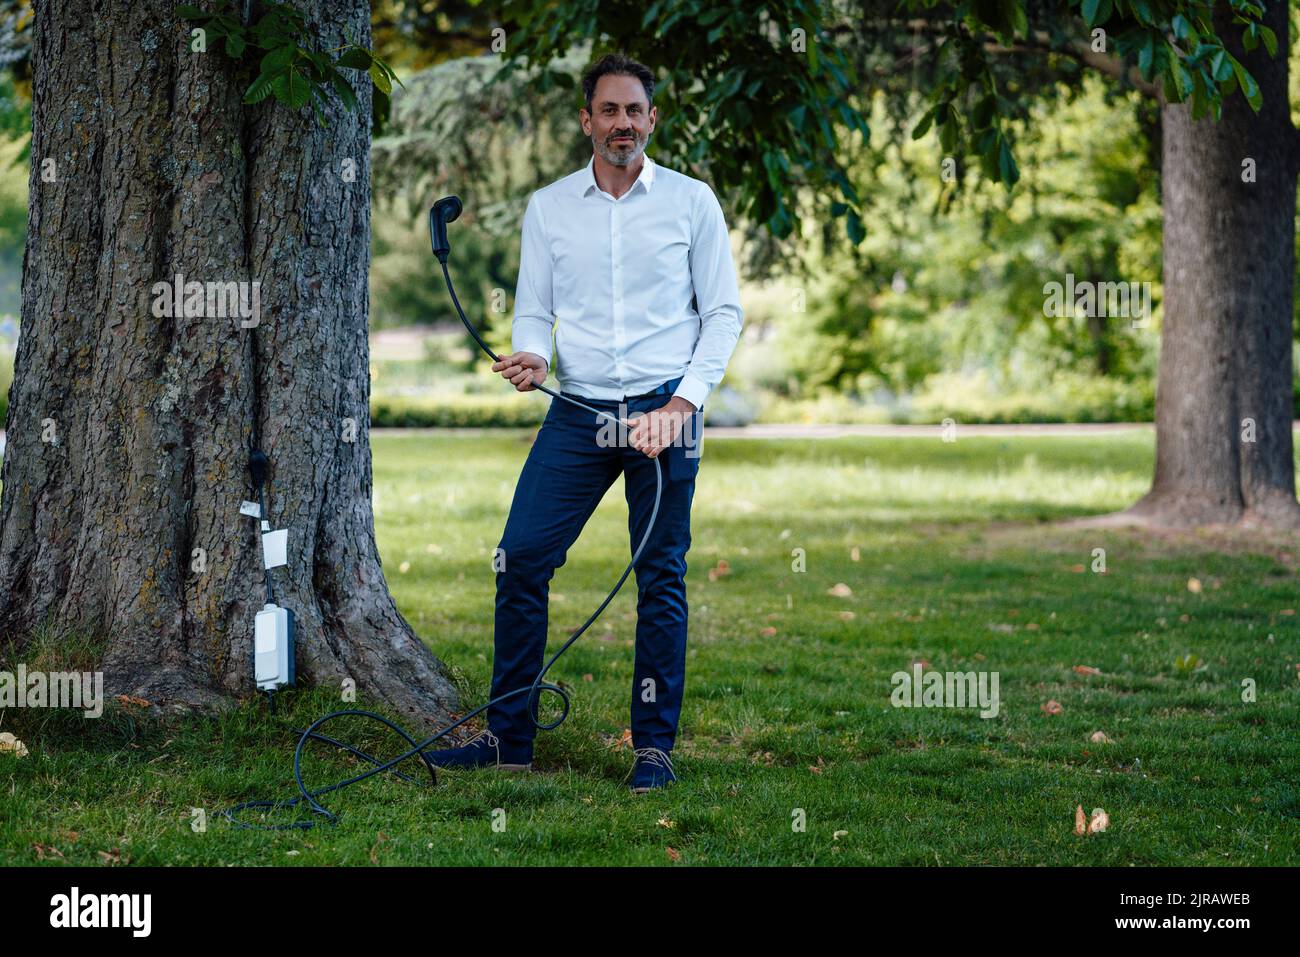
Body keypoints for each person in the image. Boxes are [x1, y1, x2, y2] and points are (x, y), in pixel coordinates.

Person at [426, 52, 744, 793]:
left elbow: (722, 312)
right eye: (609, 110)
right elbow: (534, 307)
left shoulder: (693, 202)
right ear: (587, 120)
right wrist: (533, 355)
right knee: (521, 557)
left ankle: (653, 749)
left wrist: (681, 406)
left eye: (635, 111)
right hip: (579, 411)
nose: (623, 124)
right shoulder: (550, 207)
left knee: (660, 576)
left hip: (666, 409)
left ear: (652, 119)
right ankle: (510, 739)